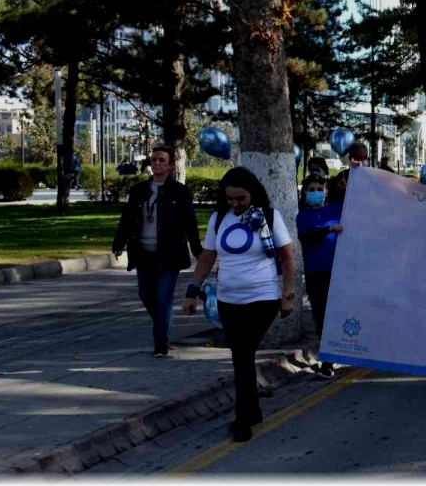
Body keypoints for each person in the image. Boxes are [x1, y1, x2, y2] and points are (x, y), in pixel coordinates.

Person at [183, 167, 297, 443]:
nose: (234, 204)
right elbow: (208, 257)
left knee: (242, 355)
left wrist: (287, 295)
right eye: (230, 199)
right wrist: (192, 290)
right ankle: (253, 409)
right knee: (241, 356)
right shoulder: (218, 218)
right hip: (228, 300)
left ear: (253, 194)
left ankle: (242, 419)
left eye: (240, 199)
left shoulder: (269, 217)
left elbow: (287, 258)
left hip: (263, 298)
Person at [112, 145, 203, 358]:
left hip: (169, 254)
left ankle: (161, 342)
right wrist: (119, 242)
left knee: (163, 296)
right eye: (154, 160)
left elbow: (189, 223)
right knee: (145, 294)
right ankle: (163, 324)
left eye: (162, 160)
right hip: (144, 252)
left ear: (170, 165)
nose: (157, 163)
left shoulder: (179, 192)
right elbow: (127, 219)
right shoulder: (139, 190)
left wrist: (197, 249)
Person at [296, 172, 341, 379]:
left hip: (339, 272)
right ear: (304, 192)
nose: (315, 193)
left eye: (319, 190)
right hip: (316, 274)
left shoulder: (336, 209)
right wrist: (329, 228)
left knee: (338, 316)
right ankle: (327, 361)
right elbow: (306, 236)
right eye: (311, 190)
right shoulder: (302, 216)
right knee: (322, 317)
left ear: (326, 192)